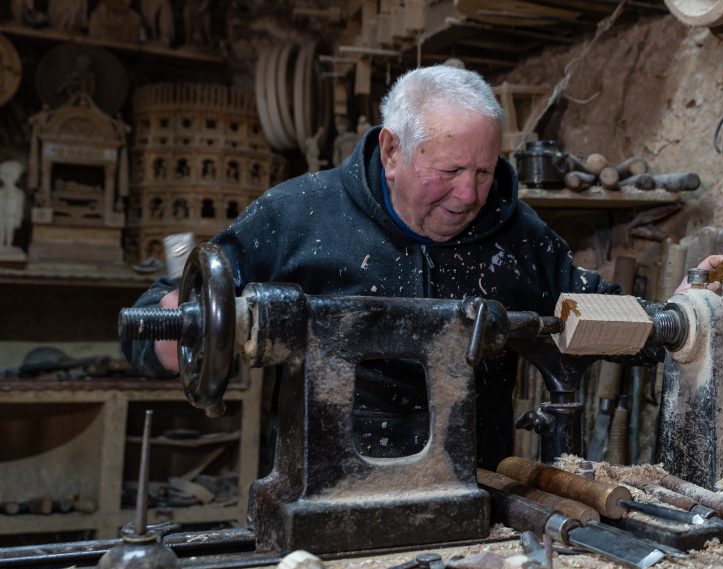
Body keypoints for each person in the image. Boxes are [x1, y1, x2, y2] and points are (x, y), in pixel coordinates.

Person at [123, 65, 617, 469]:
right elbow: (156, 319)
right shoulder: (298, 215)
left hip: (476, 496)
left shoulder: (517, 233)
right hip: (322, 493)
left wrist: (686, 306)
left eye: (483, 171)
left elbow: (608, 316)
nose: (469, 195)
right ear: (391, 152)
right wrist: (182, 332)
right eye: (448, 171)